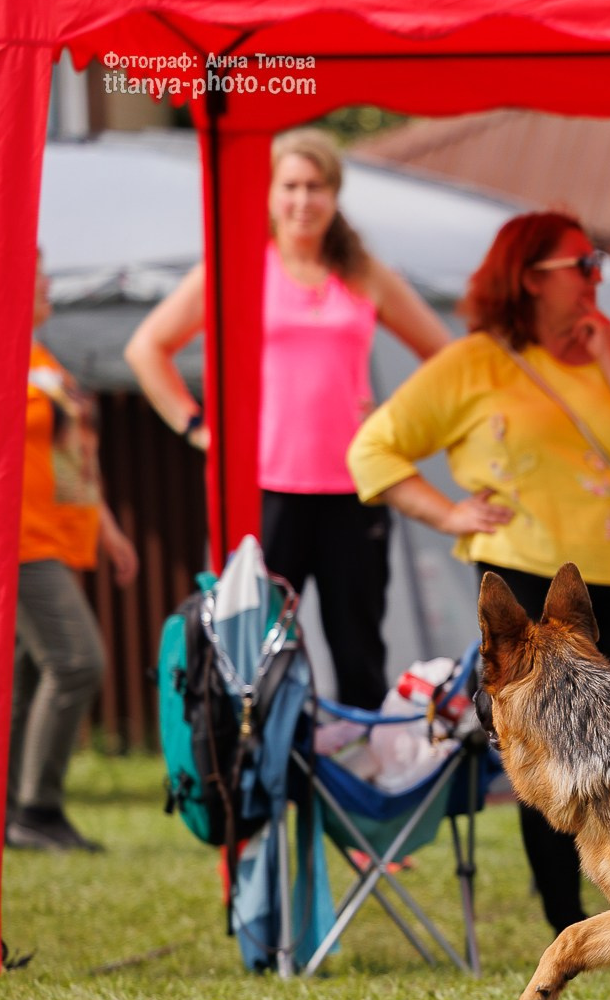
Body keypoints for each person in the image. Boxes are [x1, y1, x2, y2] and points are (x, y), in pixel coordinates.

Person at [348, 211, 610, 936]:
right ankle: (564, 916)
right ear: (527, 279)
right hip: (523, 581)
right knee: (546, 753)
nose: (594, 280)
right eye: (580, 266)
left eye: (596, 264)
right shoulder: (475, 361)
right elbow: (374, 450)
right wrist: (448, 514)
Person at [126, 129, 452, 709]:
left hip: (356, 490)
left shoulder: (363, 273)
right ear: (271, 196)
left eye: (316, 186)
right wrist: (195, 428)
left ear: (334, 195)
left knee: (358, 652)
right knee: (255, 650)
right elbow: (147, 349)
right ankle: (259, 784)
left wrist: (394, 422)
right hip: (267, 490)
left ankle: (357, 784)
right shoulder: (240, 265)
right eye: (291, 187)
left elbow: (446, 357)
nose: (303, 200)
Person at [0, 254, 138, 850]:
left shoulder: (41, 361)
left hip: (56, 539)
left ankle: (3, 816)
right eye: (36, 271)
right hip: (11, 544)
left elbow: (68, 455)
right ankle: (38, 810)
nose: (48, 282)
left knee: (24, 683)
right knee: (78, 662)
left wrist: (107, 529)